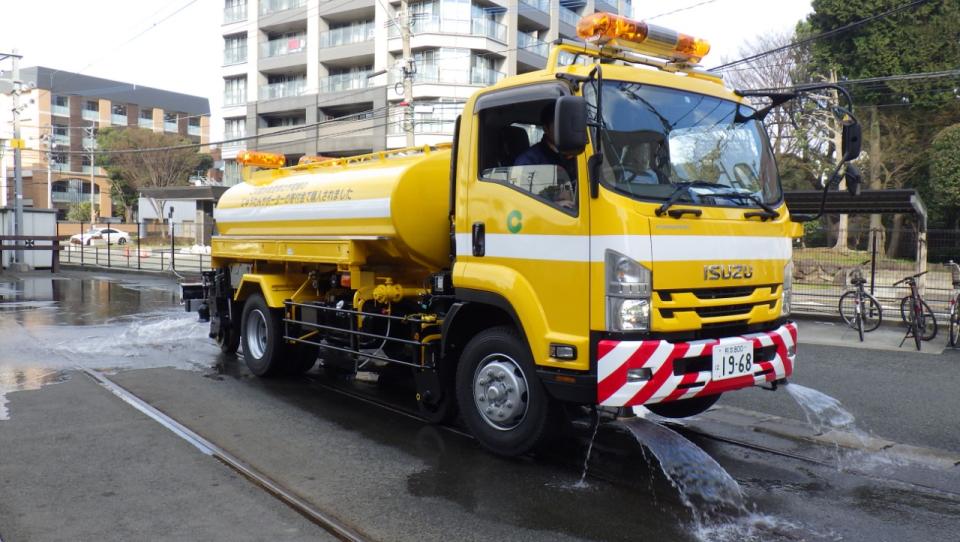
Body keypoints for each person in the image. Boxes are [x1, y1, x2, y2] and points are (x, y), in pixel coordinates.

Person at [514, 104, 579, 208]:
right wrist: (555, 205)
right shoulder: (527, 161)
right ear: (546, 129)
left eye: (569, 125)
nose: (566, 130)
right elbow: (520, 200)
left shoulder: (579, 154)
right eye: (560, 125)